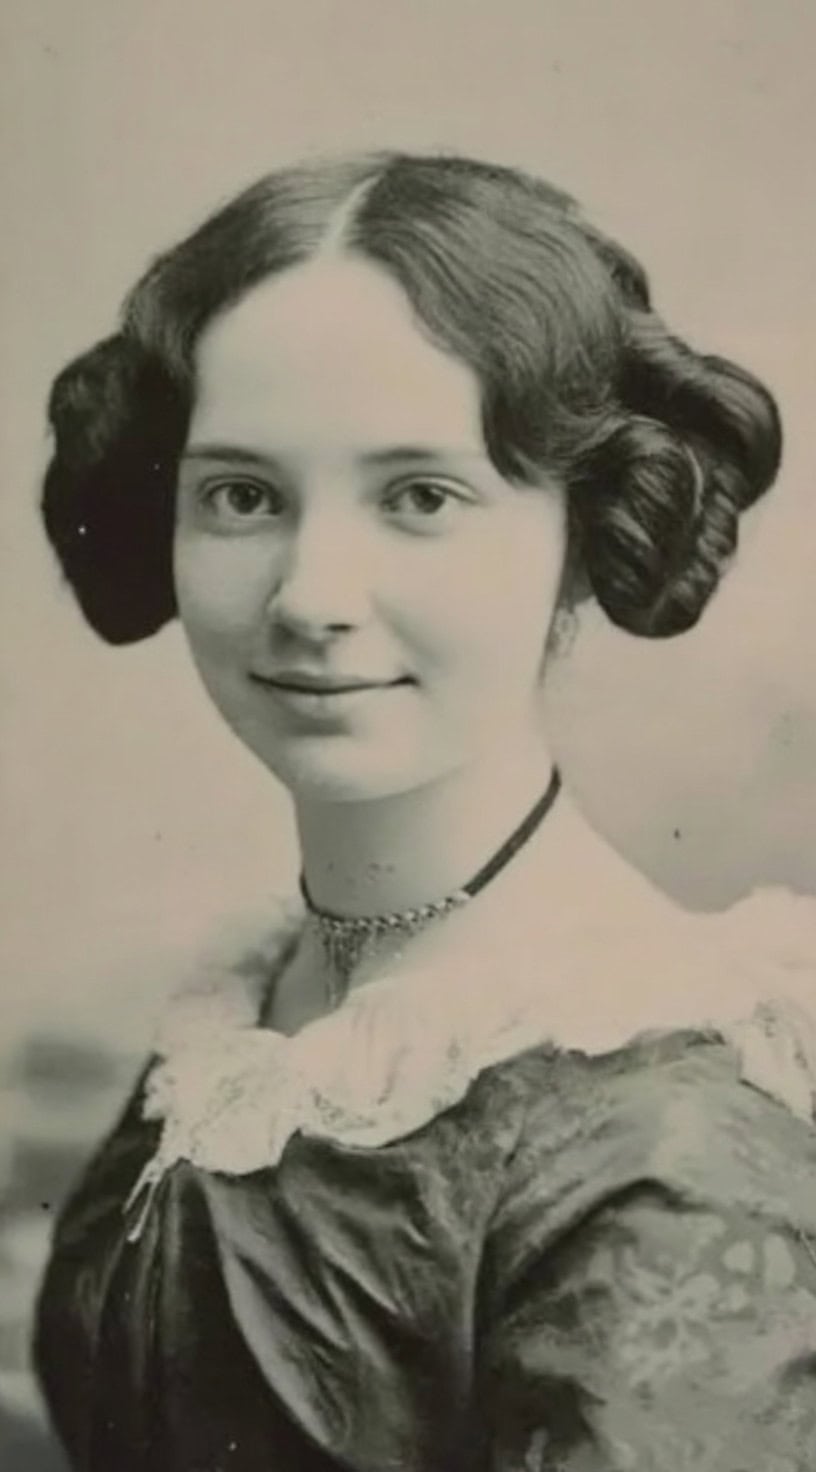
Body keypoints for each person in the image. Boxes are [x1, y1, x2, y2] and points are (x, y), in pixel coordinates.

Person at [33, 151, 815, 1471]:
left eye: (421, 497)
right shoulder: (260, 1004)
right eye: (242, 496)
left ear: (585, 523)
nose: (309, 594)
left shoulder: (657, 1147)